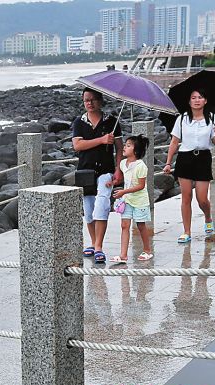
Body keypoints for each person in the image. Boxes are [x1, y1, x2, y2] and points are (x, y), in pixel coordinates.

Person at [163, 88, 215, 243]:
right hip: (185, 158)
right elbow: (175, 142)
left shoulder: (211, 118)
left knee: (202, 198)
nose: (197, 100)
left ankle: (208, 217)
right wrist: (168, 163)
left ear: (205, 101)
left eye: (200, 97)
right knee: (186, 197)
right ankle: (187, 231)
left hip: (203, 158)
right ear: (189, 102)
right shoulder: (182, 119)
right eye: (194, 98)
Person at [72, 87, 124, 264]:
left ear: (100, 101)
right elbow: (78, 146)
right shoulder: (79, 122)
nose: (89, 103)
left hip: (106, 170)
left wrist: (119, 169)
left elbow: (119, 148)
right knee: (88, 209)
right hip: (85, 170)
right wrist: (101, 140)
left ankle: (99, 246)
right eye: (86, 100)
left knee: (102, 205)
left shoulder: (112, 122)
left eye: (93, 99)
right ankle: (93, 243)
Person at [111, 135, 153, 264]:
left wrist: (123, 191)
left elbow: (140, 186)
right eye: (125, 144)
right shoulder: (123, 163)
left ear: (136, 151)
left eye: (128, 145)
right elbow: (125, 179)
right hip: (127, 200)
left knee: (141, 226)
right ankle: (123, 255)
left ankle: (147, 250)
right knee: (124, 225)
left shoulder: (141, 166)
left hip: (140, 201)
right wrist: (113, 182)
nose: (124, 147)